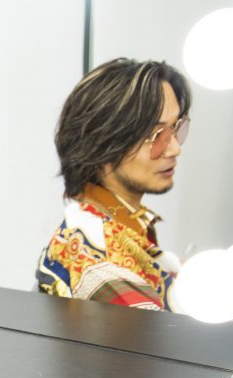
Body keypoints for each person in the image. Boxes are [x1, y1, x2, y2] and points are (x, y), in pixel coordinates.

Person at [36, 58, 192, 310]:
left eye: (176, 129)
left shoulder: (114, 225)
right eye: (156, 136)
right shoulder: (104, 266)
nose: (174, 149)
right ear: (103, 144)